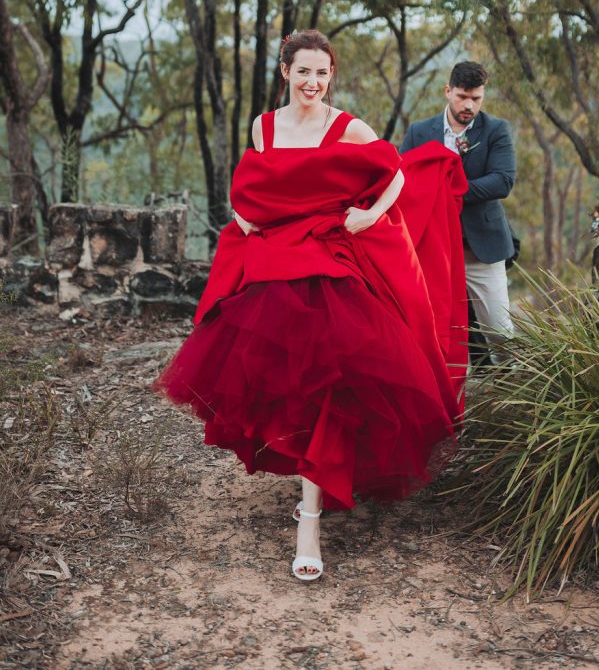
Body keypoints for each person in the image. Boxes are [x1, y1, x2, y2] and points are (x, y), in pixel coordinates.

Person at [153, 30, 467, 582]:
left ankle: (311, 522)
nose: (313, 83)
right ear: (284, 71)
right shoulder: (264, 126)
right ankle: (306, 485)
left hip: (329, 262)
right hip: (276, 262)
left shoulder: (347, 127)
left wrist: (369, 217)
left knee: (327, 384)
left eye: (322, 73)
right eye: (304, 72)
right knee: (284, 385)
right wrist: (248, 217)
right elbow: (254, 185)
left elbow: (392, 172)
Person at [400, 61, 516, 366]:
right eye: (462, 96)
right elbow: (402, 179)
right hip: (433, 249)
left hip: (481, 249)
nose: (469, 105)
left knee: (500, 331)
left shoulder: (496, 130)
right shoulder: (419, 131)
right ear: (447, 91)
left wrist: (450, 190)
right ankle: (446, 398)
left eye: (476, 98)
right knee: (436, 327)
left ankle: (518, 397)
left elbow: (503, 180)